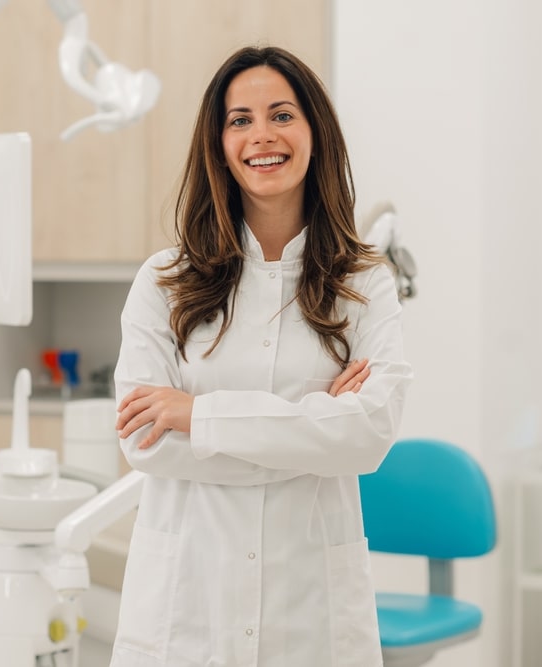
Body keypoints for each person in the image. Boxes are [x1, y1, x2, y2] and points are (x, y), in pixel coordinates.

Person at [111, 45, 413, 667]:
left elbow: (369, 436)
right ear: (218, 143)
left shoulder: (364, 283)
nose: (261, 136)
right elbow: (144, 443)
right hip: (188, 608)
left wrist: (198, 416)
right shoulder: (164, 280)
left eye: (282, 114)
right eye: (239, 120)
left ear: (314, 132)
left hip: (310, 611)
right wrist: (311, 431)